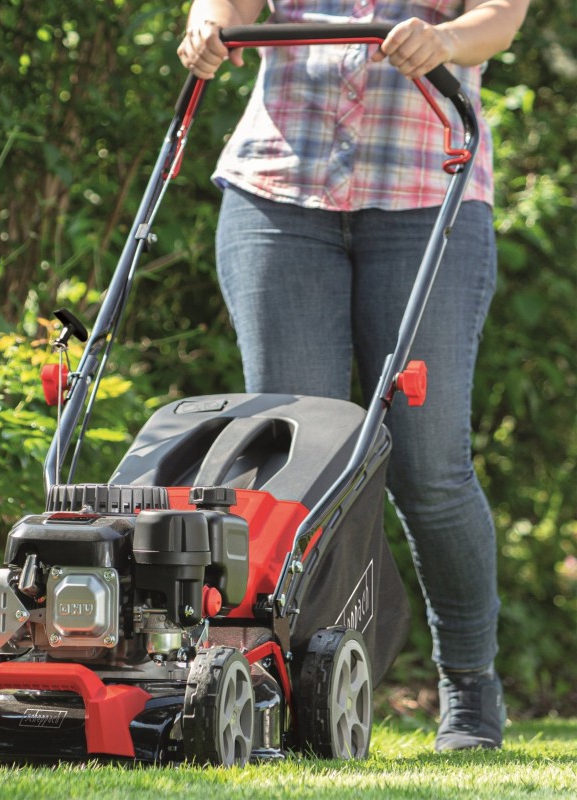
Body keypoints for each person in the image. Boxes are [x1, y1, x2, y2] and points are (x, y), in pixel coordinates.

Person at [177, 0, 529, 752]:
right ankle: (283, 684)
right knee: (291, 470)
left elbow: (501, 17)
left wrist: (443, 39)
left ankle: (469, 687)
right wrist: (209, 23)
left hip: (428, 191)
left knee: (429, 468)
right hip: (278, 192)